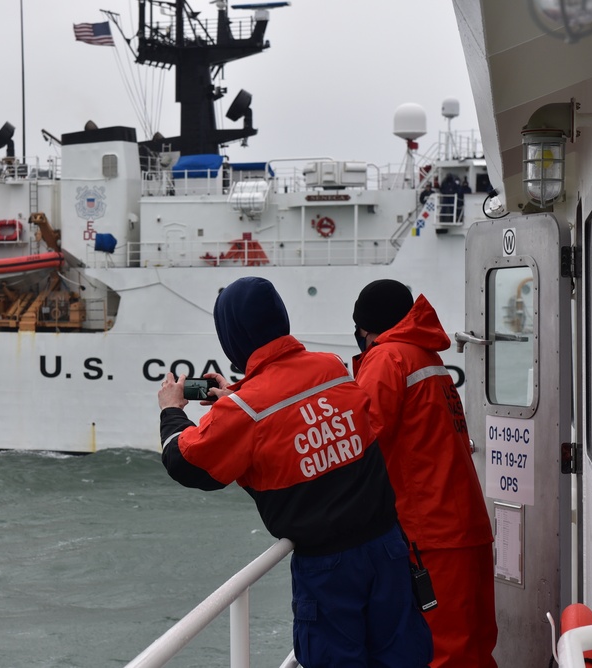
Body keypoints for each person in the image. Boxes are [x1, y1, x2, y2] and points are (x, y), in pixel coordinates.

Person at [158, 276, 432, 668]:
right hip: (387, 546)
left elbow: (186, 463)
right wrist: (237, 395)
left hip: (328, 566)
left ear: (232, 336)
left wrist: (172, 410)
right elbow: (289, 406)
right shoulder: (332, 367)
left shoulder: (244, 410)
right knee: (404, 656)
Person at [352, 279, 497, 668]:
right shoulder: (427, 358)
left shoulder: (387, 359)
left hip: (433, 534)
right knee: (474, 648)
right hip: (465, 527)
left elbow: (363, 438)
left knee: (443, 653)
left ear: (366, 328)